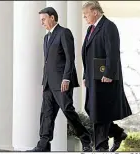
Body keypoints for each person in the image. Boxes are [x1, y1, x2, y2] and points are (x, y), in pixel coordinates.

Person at [27, 7, 92, 152]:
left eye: (43, 19)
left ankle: (86, 139)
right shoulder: (46, 37)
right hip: (48, 82)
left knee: (68, 110)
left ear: (52, 17)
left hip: (62, 82)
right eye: (40, 20)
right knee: (46, 113)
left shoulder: (64, 32)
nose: (42, 23)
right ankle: (43, 145)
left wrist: (66, 79)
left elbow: (70, 58)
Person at [81, 1, 132, 152]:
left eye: (86, 14)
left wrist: (109, 73)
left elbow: (113, 52)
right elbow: (87, 55)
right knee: (92, 110)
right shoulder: (91, 29)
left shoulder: (109, 26)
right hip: (92, 78)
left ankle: (101, 148)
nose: (84, 17)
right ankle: (117, 133)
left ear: (95, 12)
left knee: (100, 112)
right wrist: (85, 75)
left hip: (105, 78)